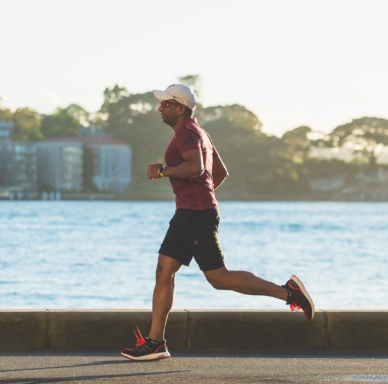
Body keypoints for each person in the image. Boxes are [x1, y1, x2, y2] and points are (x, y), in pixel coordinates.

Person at [120, 84, 314, 361]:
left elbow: (197, 168)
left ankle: (288, 292)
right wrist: (201, 196)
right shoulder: (199, 132)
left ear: (180, 108)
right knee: (164, 272)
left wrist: (164, 171)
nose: (160, 108)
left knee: (219, 278)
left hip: (196, 215)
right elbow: (219, 172)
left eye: (165, 104)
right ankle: (155, 343)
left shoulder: (188, 132)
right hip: (189, 213)